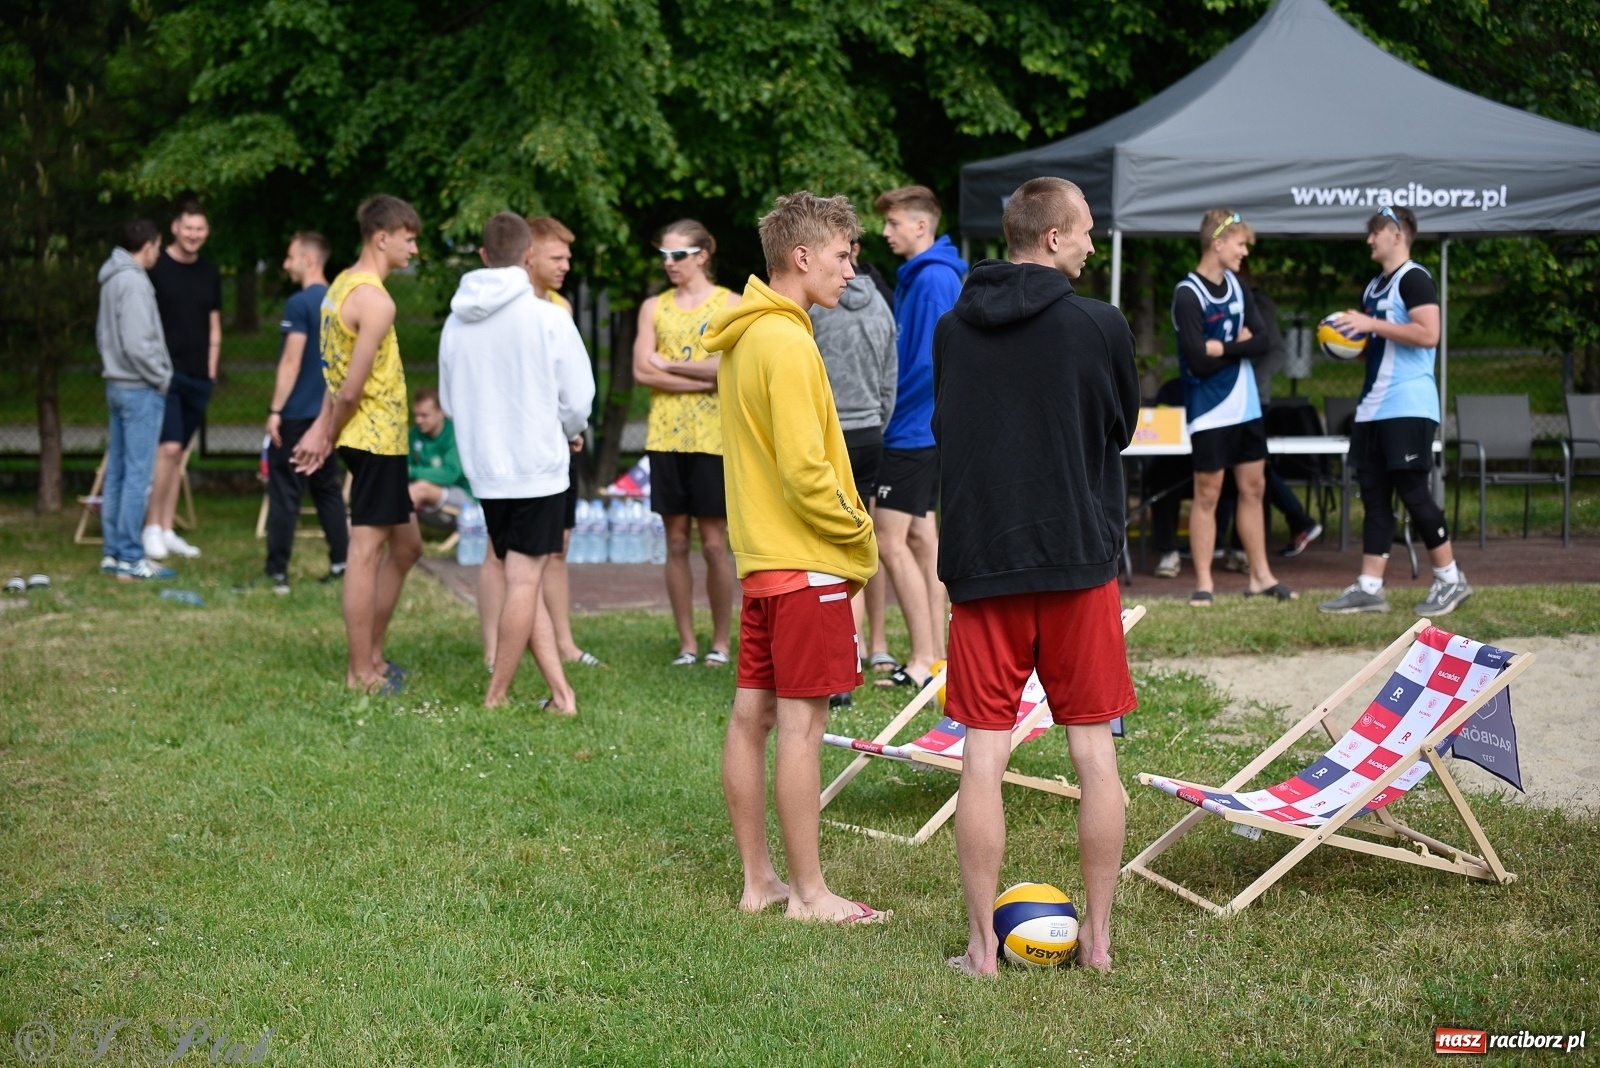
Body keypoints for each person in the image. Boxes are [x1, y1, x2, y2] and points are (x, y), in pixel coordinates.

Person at [934, 177, 1138, 977]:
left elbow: (951, 426)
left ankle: (983, 951)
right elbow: (1116, 428)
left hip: (984, 562)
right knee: (1093, 755)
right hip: (1078, 561)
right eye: (1086, 230)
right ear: (1053, 238)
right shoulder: (1100, 324)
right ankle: (1098, 943)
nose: (1093, 242)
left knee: (984, 755)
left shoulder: (954, 327)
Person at [704, 190, 884, 923]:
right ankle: (809, 894)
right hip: (804, 564)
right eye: (843, 256)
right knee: (802, 728)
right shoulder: (785, 340)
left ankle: (760, 882)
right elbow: (807, 473)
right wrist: (860, 534)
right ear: (802, 256)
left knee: (753, 718)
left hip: (763, 563)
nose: (850, 271)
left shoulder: (749, 333)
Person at [439, 213, 595, 711]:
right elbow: (580, 399)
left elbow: (447, 400)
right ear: (528, 256)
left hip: (486, 470)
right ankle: (497, 694)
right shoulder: (548, 317)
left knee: (518, 579)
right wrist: (570, 431)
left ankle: (561, 694)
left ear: (483, 257)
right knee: (524, 583)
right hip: (538, 466)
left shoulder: (454, 321)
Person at [291, 195, 424, 693]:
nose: (414, 249)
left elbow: (336, 375)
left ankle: (372, 656)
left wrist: (324, 428)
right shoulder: (377, 301)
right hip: (375, 441)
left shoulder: (340, 286)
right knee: (366, 552)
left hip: (371, 438)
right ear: (382, 237)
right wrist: (324, 433)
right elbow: (349, 387)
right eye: (409, 238)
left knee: (408, 546)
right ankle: (359, 674)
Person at [1319, 205, 1469, 616]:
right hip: (1372, 408)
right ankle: (1370, 586)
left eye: (1376, 232)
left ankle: (1450, 579)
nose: (1370, 239)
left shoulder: (1415, 278)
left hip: (1408, 404)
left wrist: (1371, 327)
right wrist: (1348, 342)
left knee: (1413, 491)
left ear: (1397, 235)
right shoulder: (1373, 288)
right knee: (1374, 496)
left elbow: (1429, 333)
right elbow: (1379, 345)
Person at [1172, 208, 1294, 606]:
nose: (1245, 252)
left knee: (1254, 487)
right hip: (1209, 409)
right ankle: (1204, 583)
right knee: (1207, 493)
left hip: (1246, 406)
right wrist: (1237, 348)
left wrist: (1223, 346)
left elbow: (1263, 342)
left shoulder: (1240, 288)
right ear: (1218, 243)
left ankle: (1261, 576)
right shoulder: (1188, 293)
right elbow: (1196, 360)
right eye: (1241, 244)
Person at [632, 219, 738, 667]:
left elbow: (726, 371)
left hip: (713, 439)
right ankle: (686, 644)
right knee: (675, 540)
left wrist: (668, 366)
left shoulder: (730, 303)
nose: (669, 264)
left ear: (702, 254)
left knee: (715, 543)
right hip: (666, 436)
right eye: (664, 256)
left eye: (678, 255)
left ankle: (719, 641)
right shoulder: (652, 306)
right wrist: (697, 375)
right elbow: (641, 370)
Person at [873, 185, 966, 688]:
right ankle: (938, 658)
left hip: (911, 427)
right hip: (921, 425)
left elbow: (926, 366)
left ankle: (922, 658)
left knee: (889, 540)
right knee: (920, 536)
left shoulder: (931, 278)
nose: (886, 233)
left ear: (921, 227)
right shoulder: (924, 273)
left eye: (894, 224)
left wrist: (886, 418)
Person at [808, 235, 898, 687]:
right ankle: (875, 645)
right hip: (869, 435)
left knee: (828, 551)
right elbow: (890, 375)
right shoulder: (882, 304)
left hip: (831, 434)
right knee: (865, 543)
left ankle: (844, 655)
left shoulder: (814, 310)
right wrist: (877, 421)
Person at [523, 215, 602, 667]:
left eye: (569, 256)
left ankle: (564, 643)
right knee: (509, 554)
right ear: (528, 255)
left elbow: (566, 381)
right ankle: (501, 648)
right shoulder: (511, 310)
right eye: (557, 256)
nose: (566, 265)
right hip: (523, 448)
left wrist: (571, 427)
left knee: (559, 543)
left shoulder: (561, 308)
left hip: (560, 439)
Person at [263, 232, 348, 595]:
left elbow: (292, 361)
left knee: (285, 491)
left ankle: (277, 572)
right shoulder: (341, 300)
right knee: (327, 488)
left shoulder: (299, 303)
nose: (286, 265)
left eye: (290, 257)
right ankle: (342, 563)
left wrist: (275, 410)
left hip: (297, 415)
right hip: (329, 416)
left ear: (309, 260)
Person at [95, 219, 177, 582]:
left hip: (116, 383)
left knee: (118, 472)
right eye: (158, 247)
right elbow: (137, 342)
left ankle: (113, 553)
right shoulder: (134, 282)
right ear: (148, 246)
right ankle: (130, 556)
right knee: (137, 475)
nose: (158, 254)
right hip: (138, 387)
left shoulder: (112, 277)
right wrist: (161, 378)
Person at [143, 200, 220, 562]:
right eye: (188, 228)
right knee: (167, 449)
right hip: (164, 375)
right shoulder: (155, 267)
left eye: (200, 229)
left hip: (198, 377)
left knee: (179, 457)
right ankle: (151, 528)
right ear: (175, 227)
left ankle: (169, 528)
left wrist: (211, 370)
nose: (193, 235)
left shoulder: (209, 272)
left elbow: (214, 325)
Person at [408, 388, 472, 526]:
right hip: (423, 495)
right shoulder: (415, 433)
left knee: (421, 488)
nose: (418, 420)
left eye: (424, 415)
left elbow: (450, 474)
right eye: (416, 415)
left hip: (464, 500)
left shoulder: (455, 433)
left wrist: (413, 472)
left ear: (441, 412)